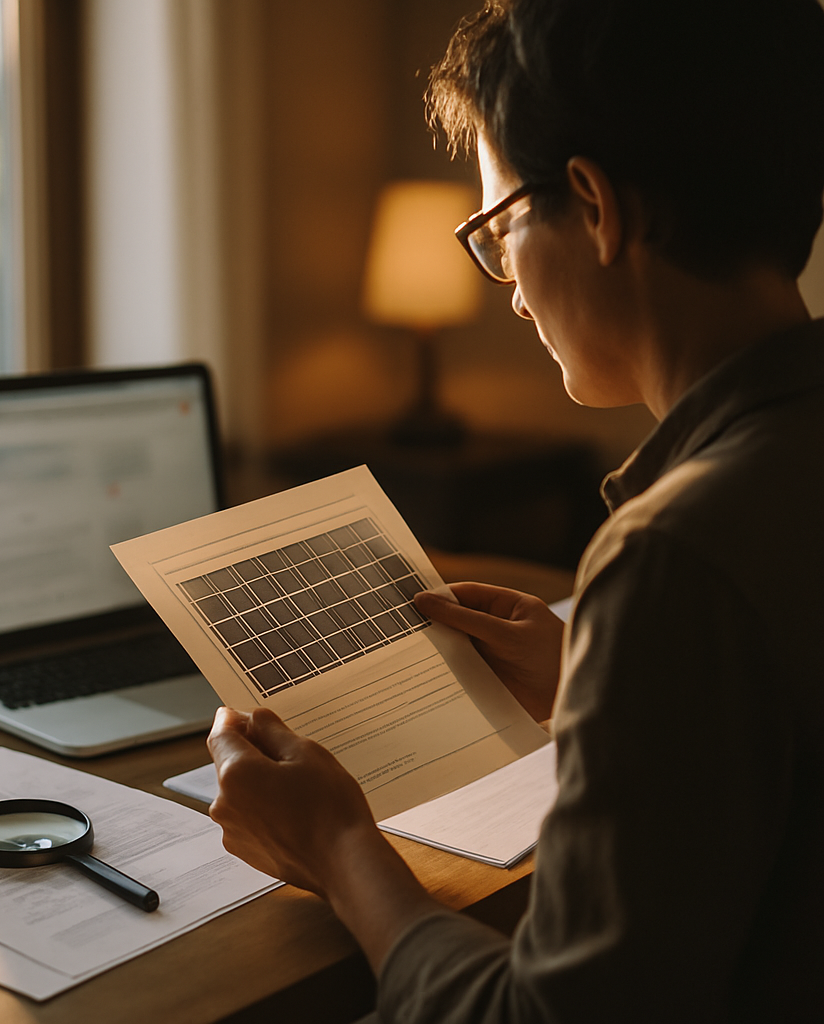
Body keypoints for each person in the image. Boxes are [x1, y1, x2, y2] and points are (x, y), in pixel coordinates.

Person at [206, 1, 824, 1020]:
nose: (514, 294)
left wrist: (340, 850)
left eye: (498, 229)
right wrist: (596, 677)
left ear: (594, 206)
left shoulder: (676, 556)